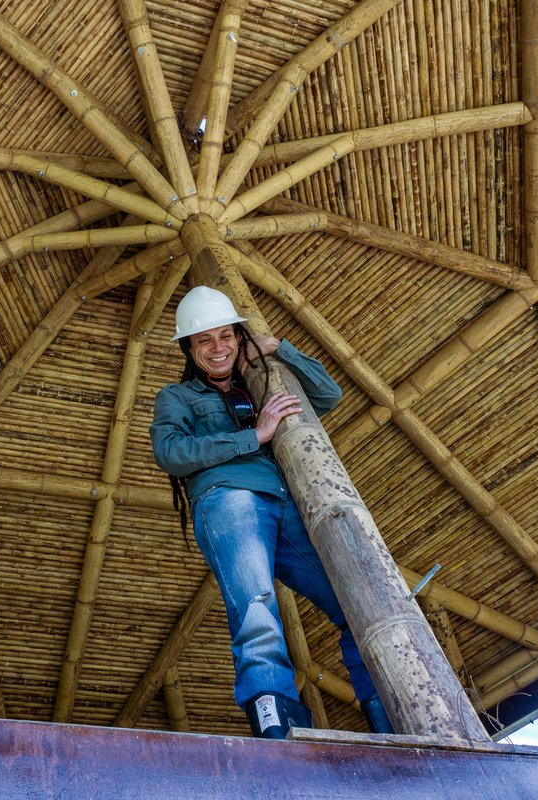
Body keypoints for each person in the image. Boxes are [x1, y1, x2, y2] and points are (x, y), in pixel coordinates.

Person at [150, 286, 392, 739]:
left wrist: (279, 347)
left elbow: (328, 394)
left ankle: (386, 713)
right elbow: (170, 452)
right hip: (229, 501)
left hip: (288, 507)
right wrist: (254, 437)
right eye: (205, 340)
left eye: (227, 335)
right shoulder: (177, 396)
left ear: (240, 337)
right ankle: (276, 725)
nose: (218, 348)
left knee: (355, 605)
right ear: (189, 347)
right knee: (255, 607)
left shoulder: (261, 381)